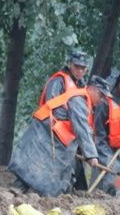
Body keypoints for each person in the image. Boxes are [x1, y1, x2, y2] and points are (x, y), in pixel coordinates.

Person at [9, 50, 100, 195]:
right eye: (77, 67)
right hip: (49, 128)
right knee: (37, 160)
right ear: (69, 64)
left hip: (64, 134)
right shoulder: (58, 81)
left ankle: (57, 192)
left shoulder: (79, 85)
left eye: (83, 68)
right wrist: (90, 154)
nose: (80, 70)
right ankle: (21, 187)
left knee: (59, 167)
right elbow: (54, 106)